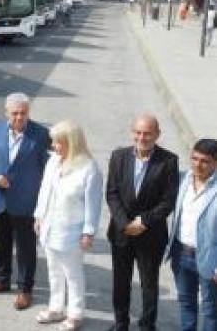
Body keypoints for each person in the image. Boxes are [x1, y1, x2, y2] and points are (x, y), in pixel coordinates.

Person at [0, 92, 50, 310]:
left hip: (27, 202)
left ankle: (25, 289)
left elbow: (49, 166)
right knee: (2, 243)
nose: (19, 117)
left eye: (23, 113)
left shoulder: (41, 133)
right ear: (6, 112)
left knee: (26, 248)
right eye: (15, 113)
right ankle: (2, 280)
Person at [106, 115, 179, 331]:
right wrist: (124, 223)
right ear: (132, 133)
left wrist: (143, 222)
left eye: (147, 133)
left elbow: (168, 200)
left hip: (151, 234)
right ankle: (121, 323)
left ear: (157, 134)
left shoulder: (169, 161)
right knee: (121, 282)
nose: (142, 137)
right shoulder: (118, 157)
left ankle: (147, 325)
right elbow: (112, 193)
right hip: (121, 232)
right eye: (138, 132)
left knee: (149, 284)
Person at [33, 121, 103, 330]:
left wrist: (88, 232)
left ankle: (75, 313)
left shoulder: (89, 169)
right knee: (53, 270)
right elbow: (44, 189)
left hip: (71, 231)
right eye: (54, 141)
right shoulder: (54, 160)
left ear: (72, 143)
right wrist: (38, 216)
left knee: (72, 274)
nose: (54, 146)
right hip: (49, 226)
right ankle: (55, 308)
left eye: (58, 142)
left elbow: (94, 204)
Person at [166, 139, 217, 331]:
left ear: (215, 162)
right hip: (181, 253)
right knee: (186, 304)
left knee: (210, 309)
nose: (198, 165)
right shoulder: (183, 179)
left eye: (204, 161)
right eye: (194, 159)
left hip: (209, 258)